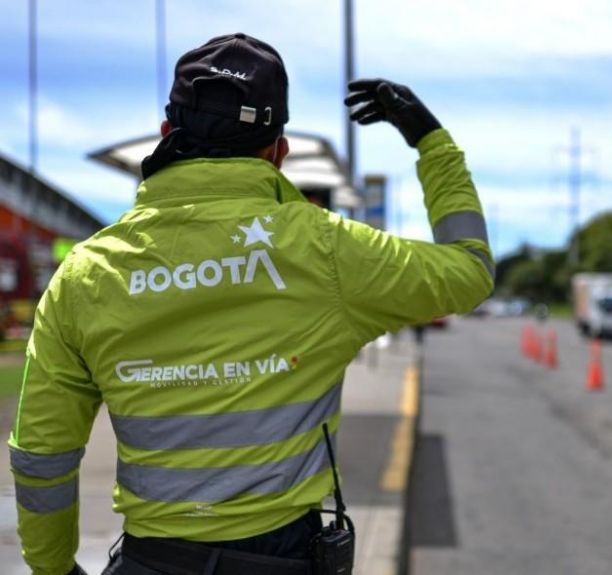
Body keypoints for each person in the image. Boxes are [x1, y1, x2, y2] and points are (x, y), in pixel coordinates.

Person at [8, 33, 493, 574]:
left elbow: (41, 451)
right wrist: (432, 142)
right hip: (284, 559)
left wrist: (54, 568)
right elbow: (470, 269)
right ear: (277, 153)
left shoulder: (86, 273)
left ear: (168, 133)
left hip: (150, 561)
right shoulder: (327, 251)